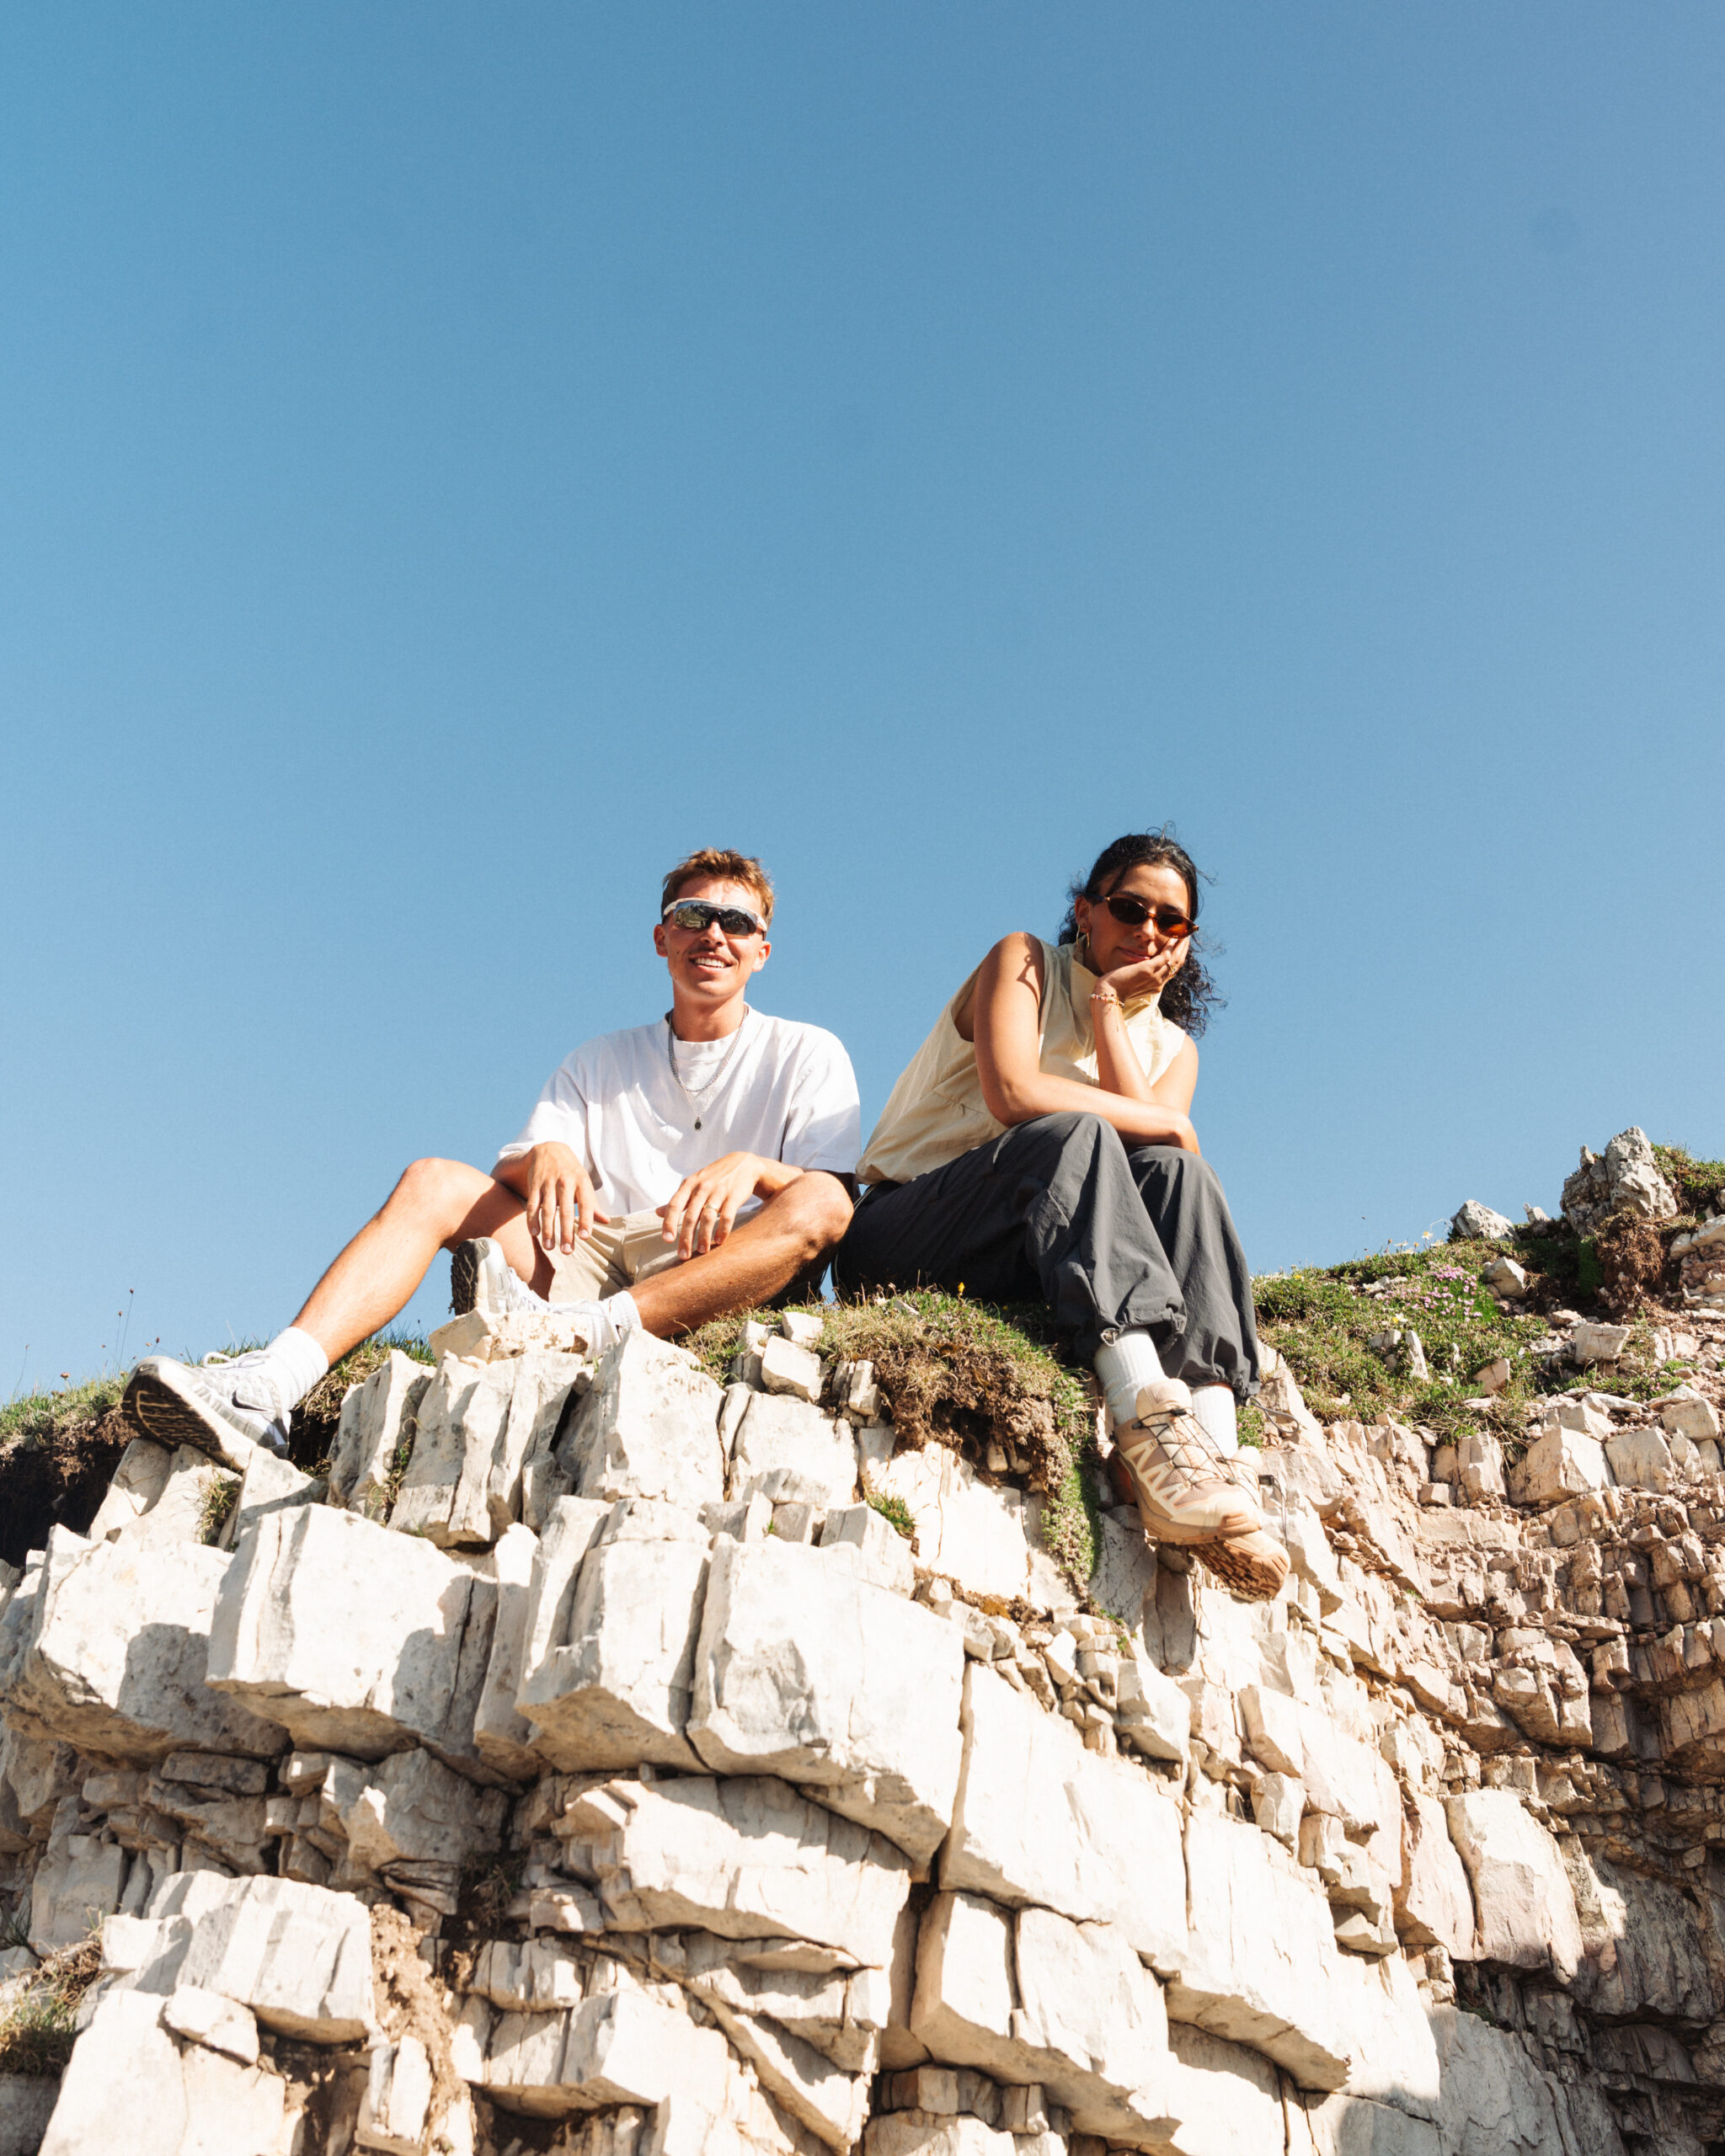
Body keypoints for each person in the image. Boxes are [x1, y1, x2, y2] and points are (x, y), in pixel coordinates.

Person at [126, 848, 860, 1460]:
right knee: (434, 1181)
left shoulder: (806, 1051)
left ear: (762, 951)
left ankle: (581, 1335)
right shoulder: (599, 1059)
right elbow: (516, 1164)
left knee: (819, 1197)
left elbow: (830, 1204)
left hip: (719, 1264)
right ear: (661, 938)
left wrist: (756, 1167)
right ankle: (268, 1391)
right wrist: (542, 1158)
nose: (713, 935)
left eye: (737, 922)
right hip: (596, 1256)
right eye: (692, 917)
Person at [833, 830, 1287, 1600]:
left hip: (1030, 1247)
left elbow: (1164, 1147)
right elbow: (1013, 1094)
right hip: (910, 1225)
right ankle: (1144, 1422)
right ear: (1085, 910)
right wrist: (1097, 1007)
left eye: (1169, 922)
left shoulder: (1173, 1046)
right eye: (1128, 907)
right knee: (1073, 1132)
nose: (1147, 929)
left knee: (1179, 1174)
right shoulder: (1024, 963)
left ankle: (1212, 1459)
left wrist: (1110, 1013)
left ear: (1186, 940)